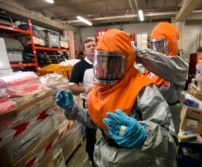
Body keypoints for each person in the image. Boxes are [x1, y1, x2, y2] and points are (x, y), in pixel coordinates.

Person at [56, 29, 178, 167]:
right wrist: (74, 110)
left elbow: (168, 138)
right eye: (101, 61)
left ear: (125, 61)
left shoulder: (144, 90)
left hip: (136, 161)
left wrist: (144, 136)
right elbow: (95, 120)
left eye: (111, 61)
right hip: (103, 157)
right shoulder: (101, 90)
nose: (105, 68)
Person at [137, 22, 188, 133]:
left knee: (168, 147)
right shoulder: (149, 66)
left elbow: (165, 65)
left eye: (161, 45)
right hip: (149, 116)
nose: (157, 50)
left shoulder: (179, 67)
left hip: (170, 118)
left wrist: (139, 53)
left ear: (172, 44)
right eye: (154, 45)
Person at [68, 38, 96, 166]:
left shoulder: (103, 62)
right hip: (89, 103)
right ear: (84, 51)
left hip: (107, 102)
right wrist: (84, 88)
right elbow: (72, 86)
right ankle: (92, 157)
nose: (92, 47)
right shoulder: (79, 66)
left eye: (94, 45)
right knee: (91, 133)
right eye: (89, 46)